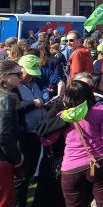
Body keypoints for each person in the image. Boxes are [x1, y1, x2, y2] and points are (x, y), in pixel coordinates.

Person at [42, 80, 103, 207]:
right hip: (99, 161)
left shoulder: (63, 116)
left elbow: (47, 141)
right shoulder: (101, 110)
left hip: (71, 167)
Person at [14, 54, 49, 205]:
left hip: (36, 134)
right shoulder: (14, 87)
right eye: (28, 73)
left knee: (29, 174)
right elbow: (15, 107)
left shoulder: (34, 83)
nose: (30, 77)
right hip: (23, 137)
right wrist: (32, 103)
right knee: (20, 177)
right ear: (20, 69)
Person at [0, 60, 23, 207]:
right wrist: (17, 159)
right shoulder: (4, 99)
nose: (21, 77)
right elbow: (3, 134)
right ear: (3, 77)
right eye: (18, 74)